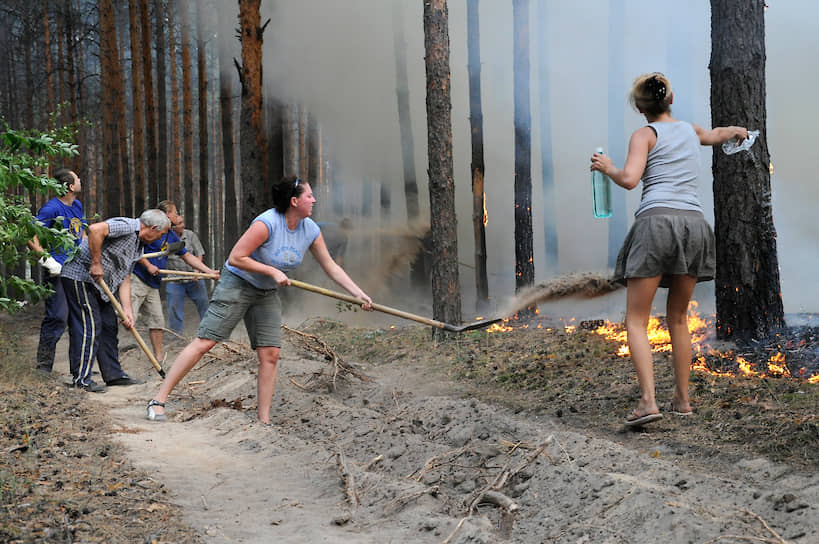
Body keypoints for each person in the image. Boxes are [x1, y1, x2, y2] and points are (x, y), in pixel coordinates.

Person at [146, 175, 374, 423]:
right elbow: (236, 258)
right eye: (309, 195)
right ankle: (158, 400)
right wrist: (272, 271)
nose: (314, 199)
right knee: (205, 342)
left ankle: (263, 420)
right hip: (237, 284)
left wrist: (356, 292)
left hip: (265, 292)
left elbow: (330, 266)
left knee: (270, 354)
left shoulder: (310, 229)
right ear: (294, 201)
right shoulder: (267, 223)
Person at [590, 72, 748, 427]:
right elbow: (716, 135)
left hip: (657, 224)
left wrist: (607, 167)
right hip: (694, 226)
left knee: (635, 320)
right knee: (678, 318)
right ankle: (683, 399)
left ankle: (649, 402)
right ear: (670, 100)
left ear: (640, 108)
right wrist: (737, 130)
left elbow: (630, 180)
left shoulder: (644, 135)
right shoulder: (691, 131)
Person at [60, 210, 171, 392]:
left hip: (101, 286)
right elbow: (95, 229)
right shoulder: (127, 226)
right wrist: (96, 263)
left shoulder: (138, 245)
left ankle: (114, 375)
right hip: (80, 276)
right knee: (90, 326)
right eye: (160, 234)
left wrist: (126, 310)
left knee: (109, 326)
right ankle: (82, 380)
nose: (159, 239)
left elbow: (125, 276)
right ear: (152, 228)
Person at [130, 201, 218, 360]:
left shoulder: (170, 235)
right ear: (167, 215)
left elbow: (187, 256)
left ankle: (157, 358)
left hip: (153, 283)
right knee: (129, 318)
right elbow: (134, 250)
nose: (178, 216)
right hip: (137, 279)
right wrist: (148, 265)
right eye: (175, 212)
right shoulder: (148, 228)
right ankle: (113, 351)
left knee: (157, 321)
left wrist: (209, 271)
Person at [28, 168, 88, 373]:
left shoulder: (77, 205)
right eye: (77, 178)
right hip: (58, 272)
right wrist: (48, 260)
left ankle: (79, 369)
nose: (80, 180)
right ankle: (43, 368)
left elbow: (82, 233)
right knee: (57, 317)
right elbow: (30, 234)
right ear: (71, 186)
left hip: (78, 270)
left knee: (78, 319)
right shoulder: (51, 209)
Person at [164, 215, 211, 335]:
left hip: (193, 277)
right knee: (173, 308)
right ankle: (175, 336)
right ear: (172, 227)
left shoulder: (190, 235)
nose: (182, 225)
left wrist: (197, 271)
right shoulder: (164, 238)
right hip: (174, 278)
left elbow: (199, 253)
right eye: (179, 224)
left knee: (204, 304)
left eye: (182, 222)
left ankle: (209, 333)